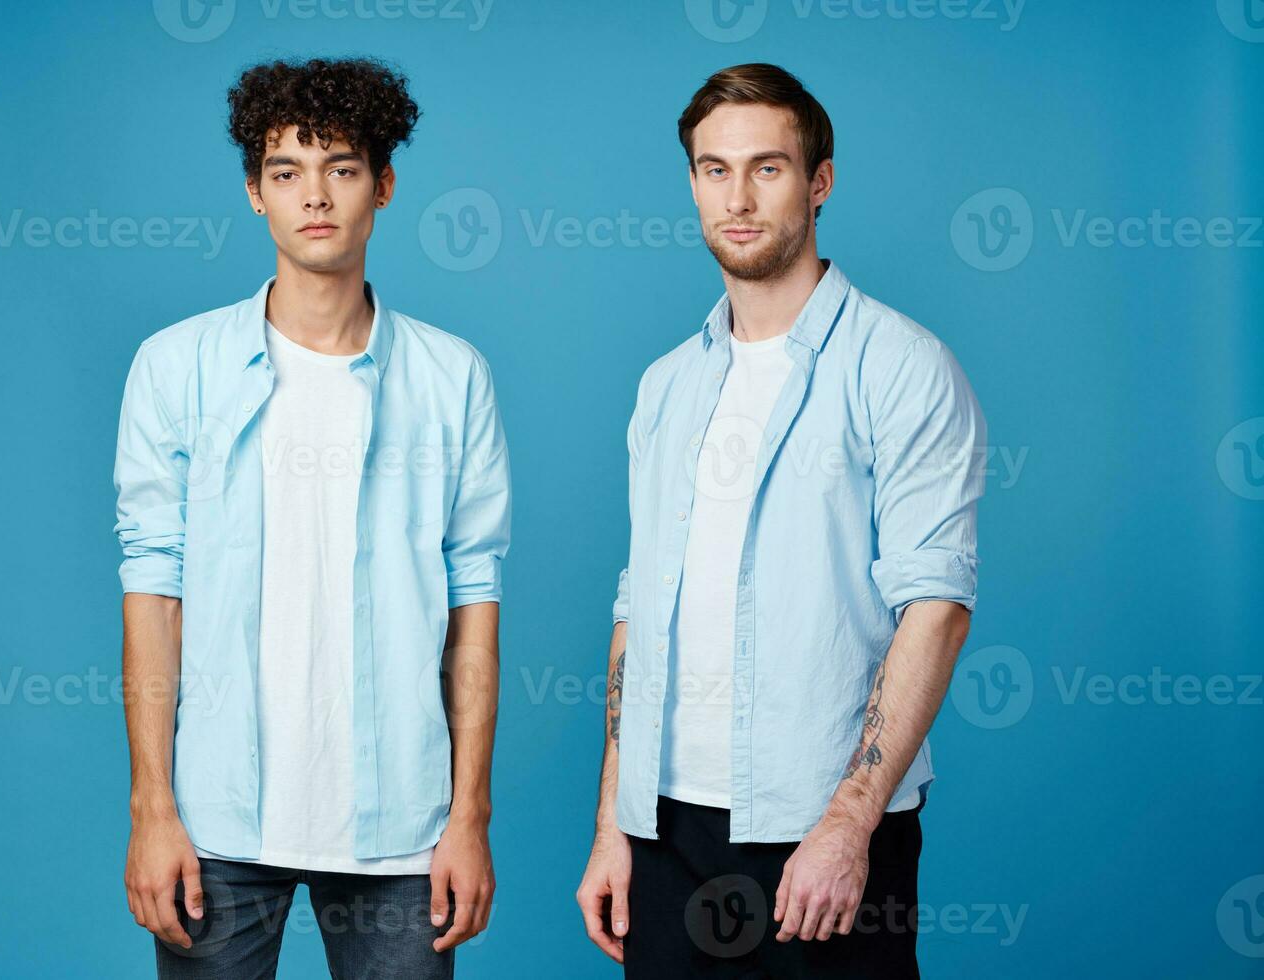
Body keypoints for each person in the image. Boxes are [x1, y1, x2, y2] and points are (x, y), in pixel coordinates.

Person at [576, 62, 986, 979]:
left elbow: (937, 608)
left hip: (822, 830)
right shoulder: (666, 386)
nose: (739, 196)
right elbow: (638, 613)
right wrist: (614, 825)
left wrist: (850, 824)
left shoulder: (902, 368)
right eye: (714, 169)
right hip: (665, 838)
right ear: (692, 183)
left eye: (767, 167)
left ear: (820, 181)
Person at [113, 56, 510, 979]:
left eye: (342, 167)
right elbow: (154, 591)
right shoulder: (175, 370)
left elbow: (474, 610)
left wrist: (469, 818)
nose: (315, 195)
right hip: (216, 822)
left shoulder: (453, 379)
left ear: (384, 185)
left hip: (403, 832)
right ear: (255, 192)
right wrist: (153, 810)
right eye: (287, 171)